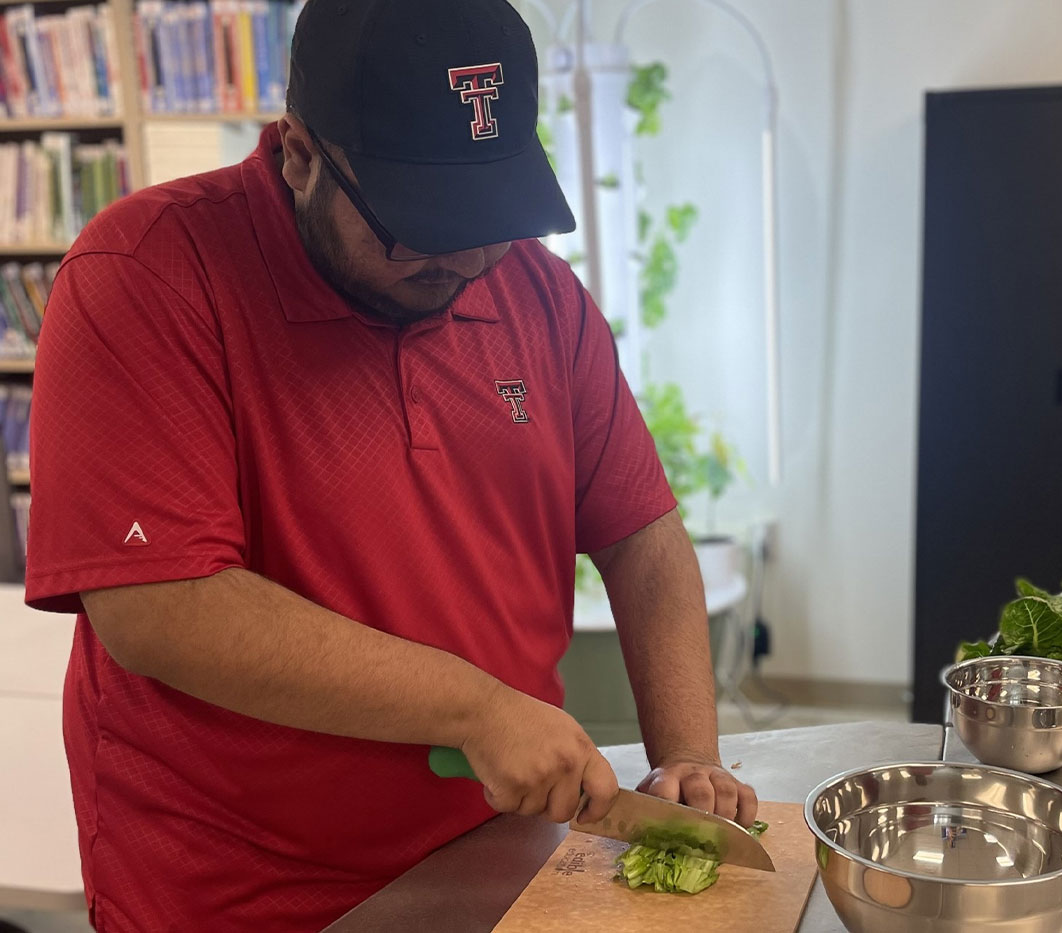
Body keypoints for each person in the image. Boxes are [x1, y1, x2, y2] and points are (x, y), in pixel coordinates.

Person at [24, 0, 755, 929]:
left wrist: (687, 751)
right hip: (236, 889)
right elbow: (161, 604)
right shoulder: (145, 276)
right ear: (299, 153)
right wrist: (475, 708)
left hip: (497, 853)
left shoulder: (534, 291)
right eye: (421, 222)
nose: (468, 256)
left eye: (488, 212)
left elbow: (643, 535)